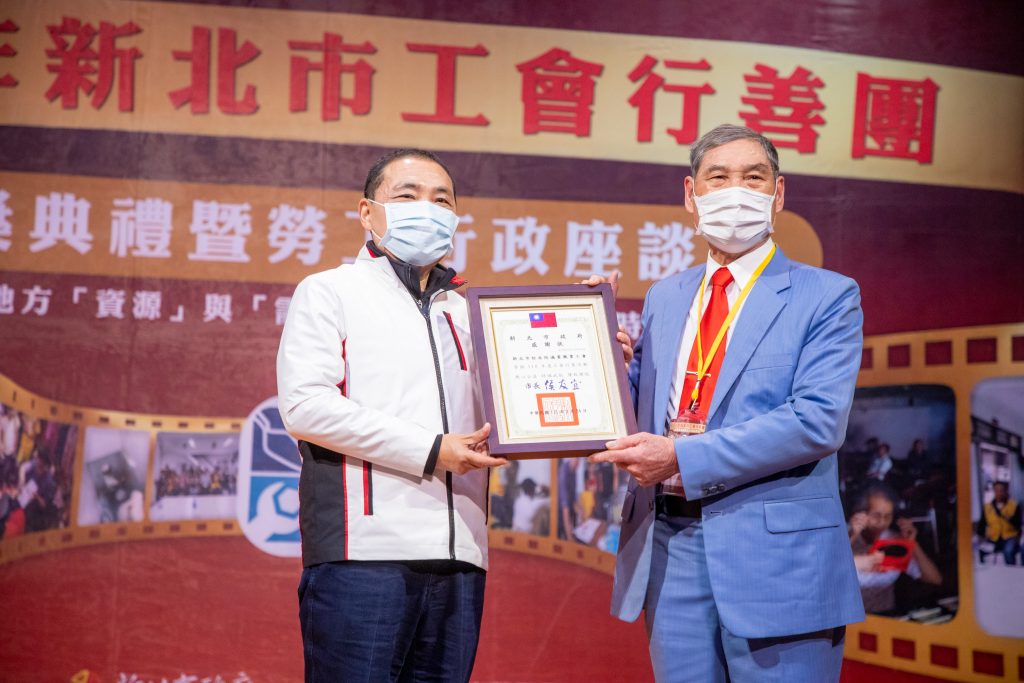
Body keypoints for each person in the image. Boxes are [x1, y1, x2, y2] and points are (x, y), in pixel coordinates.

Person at [592, 124, 864, 682]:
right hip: (671, 546)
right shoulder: (666, 296)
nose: (735, 190)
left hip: (777, 559)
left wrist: (681, 457)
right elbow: (649, 410)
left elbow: (816, 421)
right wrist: (602, 362)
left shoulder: (828, 295)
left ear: (778, 194)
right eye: (717, 177)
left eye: (753, 177)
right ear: (690, 194)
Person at [277, 149, 509, 682]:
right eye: (407, 195)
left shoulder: (471, 312)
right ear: (367, 212)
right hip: (364, 553)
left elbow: (512, 410)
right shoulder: (330, 292)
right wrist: (431, 449)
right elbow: (306, 406)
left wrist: (594, 351)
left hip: (460, 554)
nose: (426, 209)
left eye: (441, 200)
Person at [849, 484, 942, 614]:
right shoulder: (847, 534)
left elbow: (934, 579)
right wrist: (851, 536)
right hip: (849, 616)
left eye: (888, 516)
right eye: (876, 515)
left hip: (884, 616)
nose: (882, 521)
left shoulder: (895, 542)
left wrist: (912, 543)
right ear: (861, 513)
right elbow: (827, 574)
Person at [977, 480, 1021, 566]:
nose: (999, 493)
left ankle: (1011, 571)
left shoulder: (1014, 505)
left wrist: (1007, 517)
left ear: (1006, 491)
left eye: (1001, 490)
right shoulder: (987, 507)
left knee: (1008, 551)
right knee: (982, 550)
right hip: (993, 538)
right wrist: (981, 537)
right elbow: (982, 524)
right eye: (996, 490)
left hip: (1010, 537)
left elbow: (1018, 524)